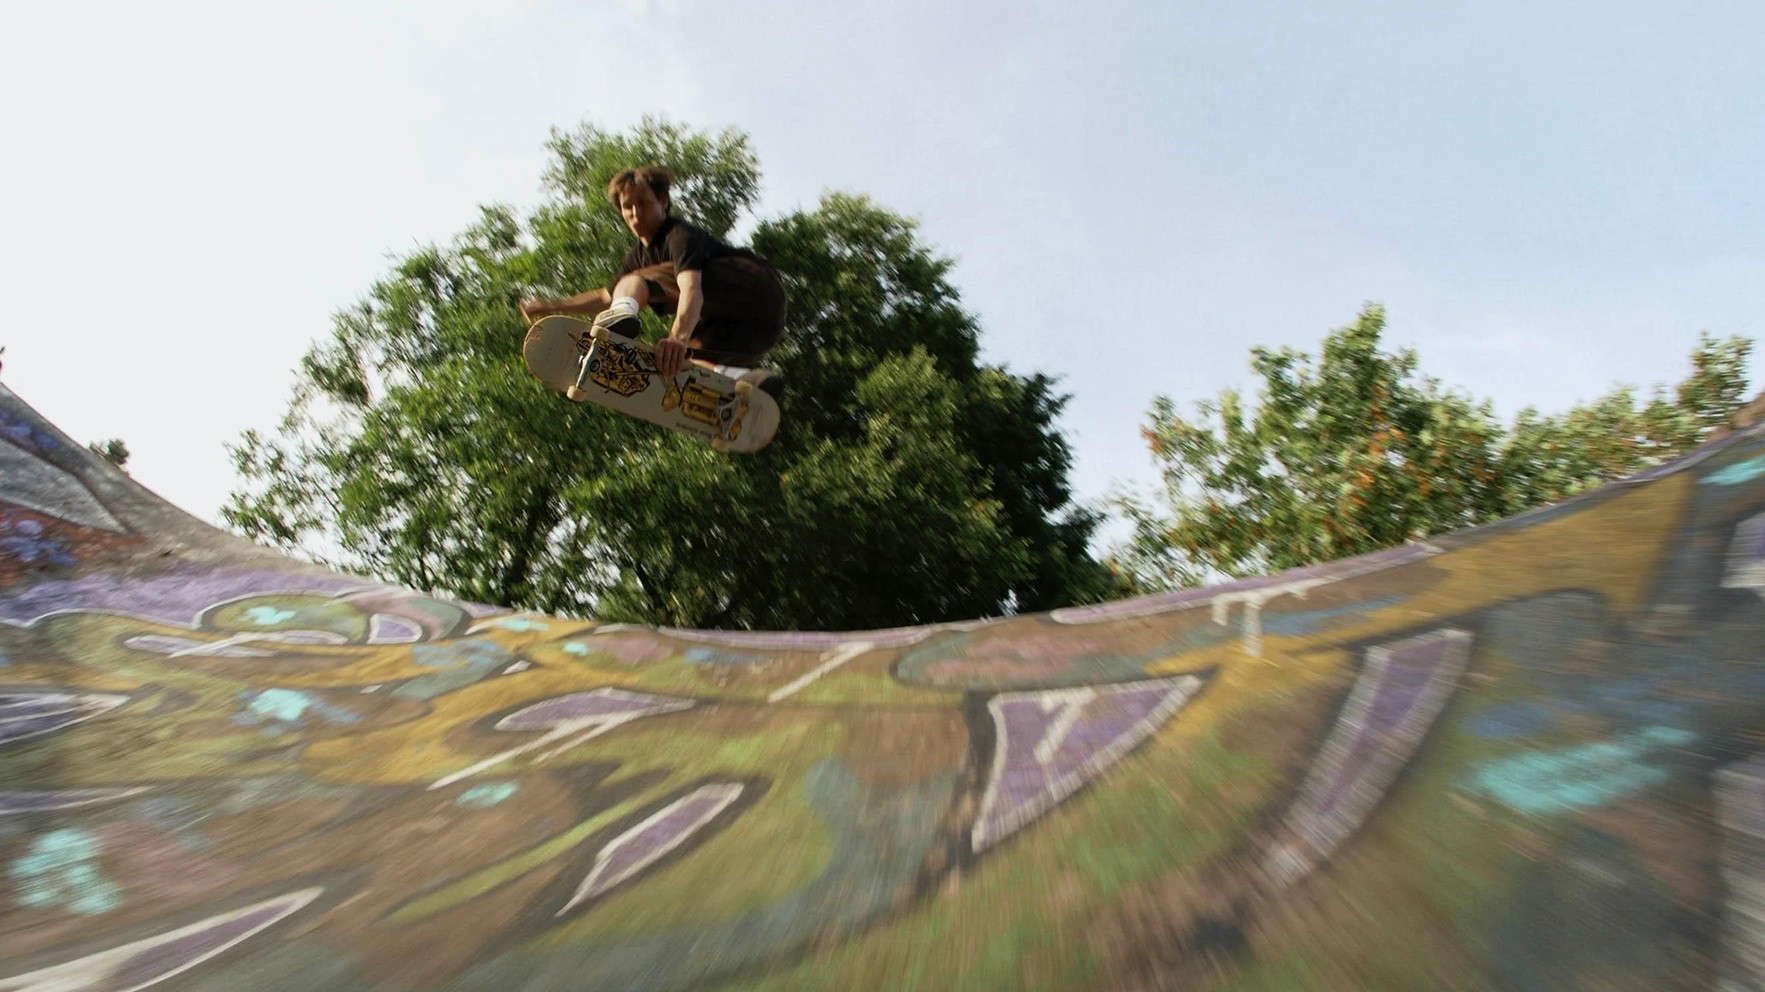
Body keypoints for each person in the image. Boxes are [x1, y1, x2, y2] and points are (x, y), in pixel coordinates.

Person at [520, 167, 787, 395]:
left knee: (638, 289)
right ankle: (745, 383)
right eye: (628, 207)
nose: (636, 212)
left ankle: (623, 315)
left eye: (644, 203)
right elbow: (604, 296)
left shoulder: (678, 236)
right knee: (680, 363)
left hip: (755, 285)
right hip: (760, 327)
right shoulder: (635, 257)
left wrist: (677, 337)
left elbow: (691, 289)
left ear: (663, 202)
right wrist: (551, 306)